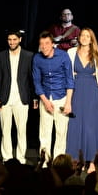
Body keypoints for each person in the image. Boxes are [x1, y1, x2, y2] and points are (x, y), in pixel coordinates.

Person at [67, 27, 98, 173]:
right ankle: (78, 161)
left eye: (87, 36)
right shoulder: (71, 52)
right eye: (82, 35)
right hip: (76, 90)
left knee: (91, 126)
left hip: (91, 92)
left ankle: (92, 162)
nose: (84, 38)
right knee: (76, 125)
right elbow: (69, 72)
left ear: (91, 39)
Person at [0, 29, 35, 164]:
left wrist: (34, 98)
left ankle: (21, 159)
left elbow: (32, 79)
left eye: (14, 39)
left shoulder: (28, 56)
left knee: (21, 131)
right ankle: (7, 158)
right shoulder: (1, 55)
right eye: (9, 40)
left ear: (20, 40)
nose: (12, 42)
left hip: (22, 98)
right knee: (5, 130)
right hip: (4, 98)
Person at [32, 31, 74, 163]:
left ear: (53, 44)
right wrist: (45, 101)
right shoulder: (37, 58)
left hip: (61, 97)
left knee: (61, 133)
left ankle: (58, 163)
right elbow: (36, 82)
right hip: (45, 97)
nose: (44, 47)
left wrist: (68, 102)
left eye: (47, 43)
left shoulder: (63, 56)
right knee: (45, 133)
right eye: (41, 44)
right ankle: (45, 162)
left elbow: (69, 80)